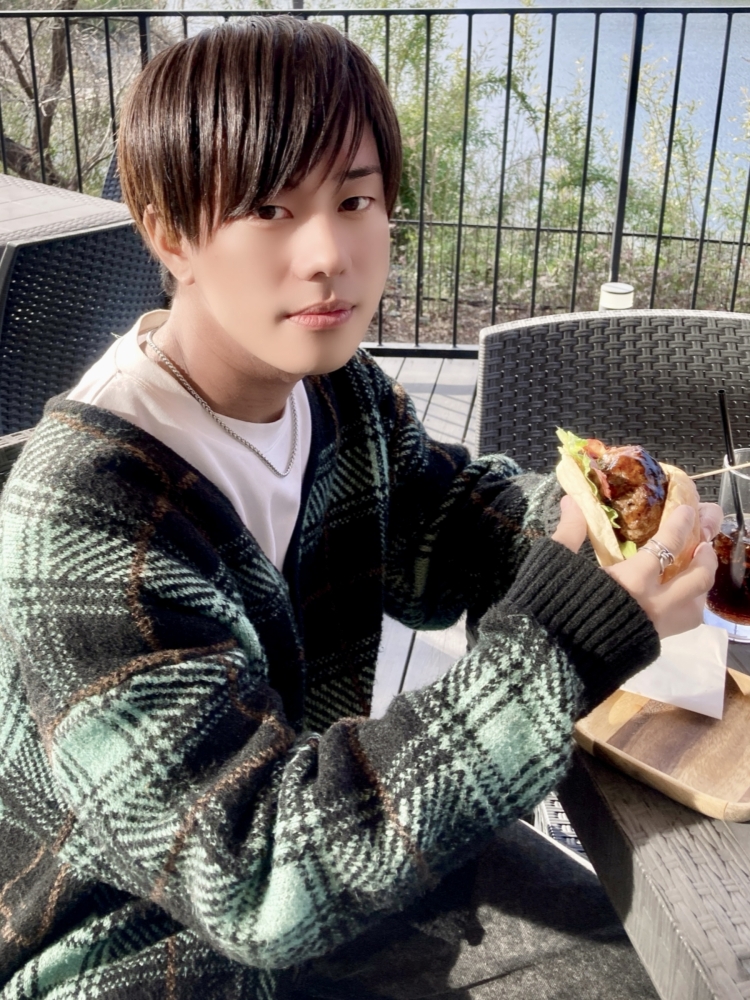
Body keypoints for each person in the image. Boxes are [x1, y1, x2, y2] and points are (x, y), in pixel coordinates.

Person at [0, 15, 720, 1000]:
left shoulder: (339, 394)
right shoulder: (86, 510)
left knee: (641, 964)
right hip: (135, 949)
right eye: (269, 208)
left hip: (336, 840)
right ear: (171, 232)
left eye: (354, 199)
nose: (327, 254)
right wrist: (570, 637)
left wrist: (602, 512)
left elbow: (450, 526)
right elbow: (252, 877)